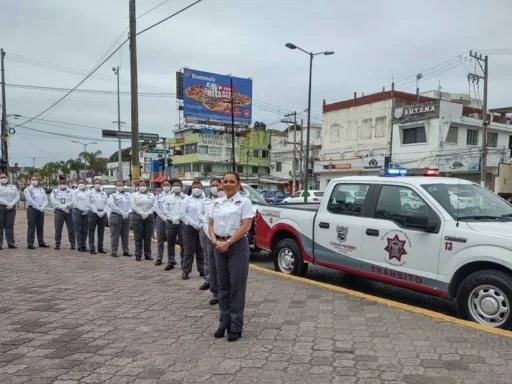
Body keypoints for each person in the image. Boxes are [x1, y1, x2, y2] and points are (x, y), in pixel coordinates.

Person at [209, 172, 253, 342]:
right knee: (222, 287)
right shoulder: (217, 202)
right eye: (225, 181)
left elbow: (245, 226)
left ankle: (235, 326)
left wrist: (228, 242)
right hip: (218, 246)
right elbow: (211, 224)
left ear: (238, 184)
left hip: (236, 246)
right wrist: (215, 242)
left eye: (232, 182)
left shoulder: (244, 202)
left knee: (237, 287)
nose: (228, 184)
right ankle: (223, 322)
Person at [198, 178, 223, 300]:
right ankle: (215, 292)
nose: (215, 188)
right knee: (211, 262)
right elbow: (205, 219)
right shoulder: (207, 202)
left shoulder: (228, 201)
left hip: (225, 238)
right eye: (212, 185)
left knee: (222, 265)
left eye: (217, 185)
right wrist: (211, 236)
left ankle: (224, 292)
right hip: (210, 235)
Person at [179, 179, 205, 280]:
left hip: (202, 227)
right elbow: (182, 214)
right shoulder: (186, 200)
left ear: (202, 189)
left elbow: (207, 214)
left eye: (198, 187)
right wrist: (193, 223)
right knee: (189, 250)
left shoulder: (205, 200)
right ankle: (186, 271)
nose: (196, 189)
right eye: (194, 187)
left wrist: (201, 224)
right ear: (191, 188)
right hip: (189, 227)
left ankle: (202, 270)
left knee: (201, 250)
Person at [163, 178, 186, 270]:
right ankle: (171, 261)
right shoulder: (168, 197)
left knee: (183, 244)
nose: (176, 187)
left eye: (178, 185)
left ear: (181, 187)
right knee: (170, 243)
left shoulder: (185, 197)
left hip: (182, 223)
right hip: (170, 223)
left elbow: (185, 211)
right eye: (174, 185)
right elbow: (165, 210)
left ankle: (184, 263)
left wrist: (178, 218)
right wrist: (172, 219)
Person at [130, 180, 155, 261]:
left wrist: (148, 213)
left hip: (149, 216)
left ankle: (148, 255)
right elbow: (133, 205)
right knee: (138, 237)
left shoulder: (151, 195)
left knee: (148, 237)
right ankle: (138, 254)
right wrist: (141, 213)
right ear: (138, 186)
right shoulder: (134, 195)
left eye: (144, 185)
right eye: (141, 185)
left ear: (147, 186)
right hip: (137, 217)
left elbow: (155, 205)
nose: (142, 186)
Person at [50, 176, 75, 250]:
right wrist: (62, 207)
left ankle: (73, 244)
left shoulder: (71, 191)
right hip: (59, 212)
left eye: (64, 182)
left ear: (66, 182)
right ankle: (57, 243)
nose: (62, 184)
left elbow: (73, 201)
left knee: (71, 228)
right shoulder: (54, 191)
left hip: (69, 211)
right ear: (59, 182)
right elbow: (53, 201)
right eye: (61, 183)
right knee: (58, 228)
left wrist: (67, 206)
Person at [24, 175, 50, 249]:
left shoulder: (41, 189)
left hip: (41, 209)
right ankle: (30, 243)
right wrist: (38, 207)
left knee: (40, 227)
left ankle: (41, 242)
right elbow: (30, 200)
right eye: (33, 179)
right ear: (30, 181)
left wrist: (43, 207)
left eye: (35, 179)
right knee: (31, 226)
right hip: (32, 209)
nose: (34, 180)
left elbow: (46, 199)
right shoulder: (28, 189)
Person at [108, 180, 132, 257]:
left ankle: (126, 251)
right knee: (115, 235)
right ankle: (114, 252)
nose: (120, 187)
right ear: (115, 186)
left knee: (125, 235)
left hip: (127, 216)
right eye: (118, 185)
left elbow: (132, 204)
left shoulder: (128, 195)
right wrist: (122, 212)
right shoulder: (112, 195)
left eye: (121, 185)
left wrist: (128, 212)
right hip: (116, 216)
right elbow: (112, 205)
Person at [154, 179, 172, 268]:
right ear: (161, 185)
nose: (166, 186)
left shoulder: (173, 195)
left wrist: (168, 217)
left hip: (170, 219)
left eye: (167, 185)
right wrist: (163, 217)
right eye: (164, 185)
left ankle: (171, 259)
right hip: (161, 218)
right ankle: (159, 258)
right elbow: (156, 207)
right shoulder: (158, 195)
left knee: (170, 240)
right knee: (160, 239)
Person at [0, 173, 20, 249]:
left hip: (11, 209)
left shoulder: (13, 186)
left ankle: (11, 243)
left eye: (4, 177)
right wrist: (7, 203)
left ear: (7, 178)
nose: (3, 178)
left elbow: (17, 196)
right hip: (1, 207)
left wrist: (12, 204)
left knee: (10, 226)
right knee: (0, 226)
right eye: (1, 177)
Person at [88, 179, 108, 254]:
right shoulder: (90, 192)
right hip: (93, 213)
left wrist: (104, 211)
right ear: (93, 183)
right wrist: (96, 211)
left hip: (102, 213)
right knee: (91, 231)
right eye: (96, 183)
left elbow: (107, 203)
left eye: (99, 183)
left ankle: (100, 247)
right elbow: (89, 203)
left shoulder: (104, 193)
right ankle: (92, 247)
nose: (98, 184)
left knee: (101, 231)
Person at [72, 178, 90, 252]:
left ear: (85, 183)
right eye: (80, 182)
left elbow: (90, 201)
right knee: (78, 229)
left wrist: (87, 209)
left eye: (82, 182)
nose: (81, 184)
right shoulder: (75, 192)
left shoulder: (88, 192)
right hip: (77, 211)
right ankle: (79, 246)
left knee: (85, 229)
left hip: (86, 211)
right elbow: (74, 202)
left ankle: (84, 245)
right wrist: (82, 209)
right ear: (77, 183)